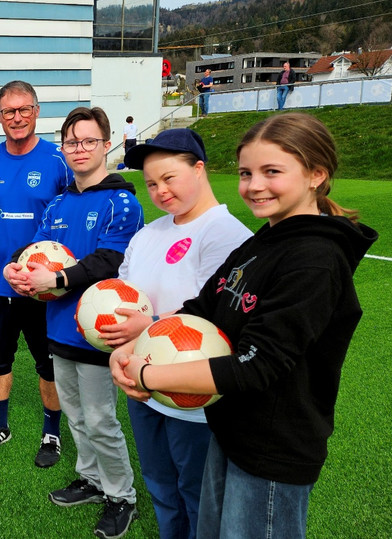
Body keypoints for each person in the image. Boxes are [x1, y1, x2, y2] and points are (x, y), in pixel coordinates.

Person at [111, 113, 378, 539]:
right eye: (246, 173)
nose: (255, 185)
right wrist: (133, 347)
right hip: (231, 431)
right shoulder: (261, 243)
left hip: (273, 449)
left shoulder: (316, 259)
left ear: (316, 174)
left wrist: (148, 374)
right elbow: (200, 308)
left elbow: (257, 365)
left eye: (272, 172)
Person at [104, 129, 252, 539]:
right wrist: (122, 349)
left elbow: (213, 319)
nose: (160, 191)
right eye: (152, 183)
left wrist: (144, 328)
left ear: (199, 168)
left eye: (169, 178)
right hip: (141, 384)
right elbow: (124, 296)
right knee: (160, 486)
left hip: (195, 396)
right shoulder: (148, 234)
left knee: (198, 495)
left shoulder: (225, 235)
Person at [3, 107, 144, 539]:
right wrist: (16, 267)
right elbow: (36, 247)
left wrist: (59, 278)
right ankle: (91, 479)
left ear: (106, 145)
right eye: (70, 142)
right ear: (62, 148)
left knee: (102, 419)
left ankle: (123, 497)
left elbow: (109, 259)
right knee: (77, 415)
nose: (78, 149)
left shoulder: (123, 201)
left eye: (87, 141)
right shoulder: (60, 202)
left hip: (102, 331)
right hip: (59, 326)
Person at [0, 80, 73, 466]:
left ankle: (51, 434)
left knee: (49, 364)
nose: (17, 118)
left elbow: (71, 222)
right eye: (9, 111)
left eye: (24, 109)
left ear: (37, 111)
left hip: (44, 289)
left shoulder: (58, 162)